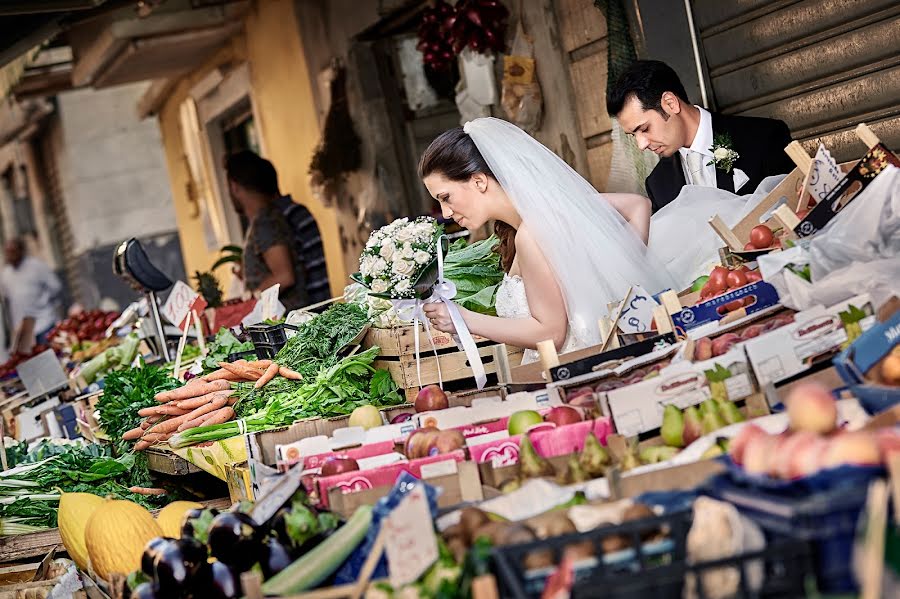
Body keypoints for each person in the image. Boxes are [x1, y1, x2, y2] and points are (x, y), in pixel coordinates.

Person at [419, 118, 676, 363]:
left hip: (578, 368)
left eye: (446, 197)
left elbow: (552, 334)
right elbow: (637, 205)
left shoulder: (530, 236)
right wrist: (621, 269)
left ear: (478, 181)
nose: (445, 213)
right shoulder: (551, 213)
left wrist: (464, 320)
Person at [607, 60, 795, 213]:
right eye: (633, 135)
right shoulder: (658, 185)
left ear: (670, 103)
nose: (641, 145)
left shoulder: (763, 137)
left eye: (645, 128)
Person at [224, 151, 308, 311]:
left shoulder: (265, 222)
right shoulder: (264, 219)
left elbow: (285, 276)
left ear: (234, 187)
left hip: (287, 322)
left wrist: (249, 299)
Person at [0, 238, 62, 349]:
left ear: (21, 250)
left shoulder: (37, 266)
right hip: (23, 331)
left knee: (53, 356)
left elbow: (55, 287)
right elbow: (7, 303)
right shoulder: (5, 275)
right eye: (7, 252)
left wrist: (43, 302)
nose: (9, 255)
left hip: (44, 322)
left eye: (12, 251)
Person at [273, 194, 331, 305]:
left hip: (312, 309)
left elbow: (286, 277)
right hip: (319, 305)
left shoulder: (281, 219)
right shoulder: (296, 212)